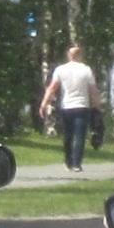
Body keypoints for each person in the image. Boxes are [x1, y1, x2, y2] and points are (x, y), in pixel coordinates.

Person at [44, 41, 102, 172]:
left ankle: (68, 161)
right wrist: (97, 106)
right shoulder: (86, 70)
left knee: (68, 135)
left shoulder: (61, 69)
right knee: (80, 135)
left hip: (67, 106)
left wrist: (44, 103)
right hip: (82, 106)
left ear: (68, 55)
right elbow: (93, 90)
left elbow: (52, 88)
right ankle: (76, 163)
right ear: (80, 54)